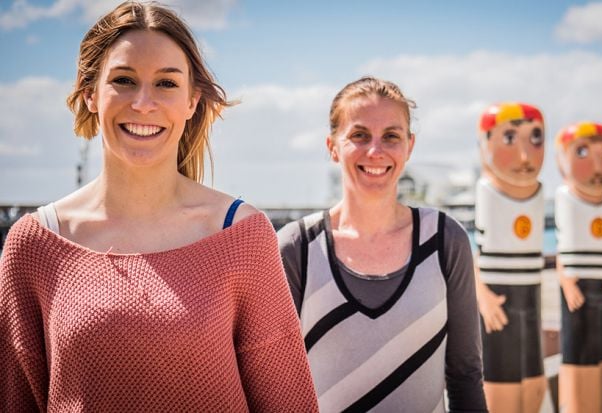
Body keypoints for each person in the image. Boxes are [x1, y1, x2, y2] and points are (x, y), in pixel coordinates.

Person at [0, 2, 318, 411]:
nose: (143, 103)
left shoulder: (241, 236)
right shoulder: (34, 245)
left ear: (191, 101)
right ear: (90, 95)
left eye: (166, 84)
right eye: (124, 80)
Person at [277, 76, 487, 412]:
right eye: (359, 135)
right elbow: (276, 383)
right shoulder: (297, 247)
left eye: (391, 136)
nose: (376, 151)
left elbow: (465, 374)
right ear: (332, 146)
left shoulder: (445, 240)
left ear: (409, 146)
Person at [474, 102, 547, 413]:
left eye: (535, 138)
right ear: (484, 142)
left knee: (534, 385)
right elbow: (469, 251)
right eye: (509, 139)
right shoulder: (487, 191)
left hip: (532, 300)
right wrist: (482, 295)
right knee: (501, 386)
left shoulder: (539, 192)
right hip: (498, 301)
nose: (523, 156)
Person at [555, 122, 602, 413]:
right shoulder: (566, 198)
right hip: (579, 286)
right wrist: (567, 282)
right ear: (562, 159)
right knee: (579, 355)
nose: (597, 165)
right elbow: (560, 249)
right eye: (582, 152)